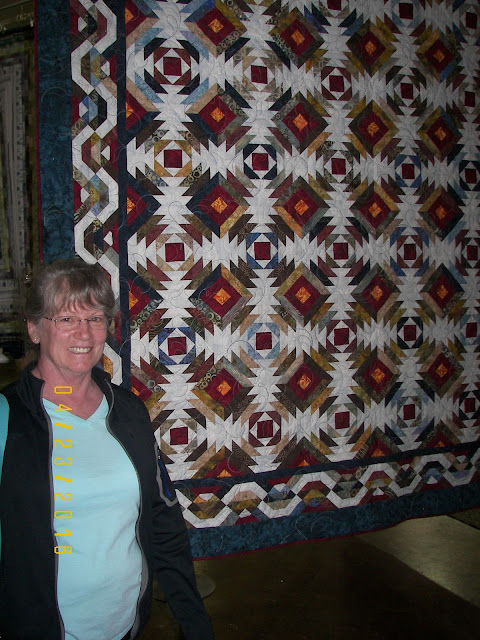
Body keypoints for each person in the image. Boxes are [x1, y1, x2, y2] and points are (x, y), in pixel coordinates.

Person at [0, 258, 215, 640]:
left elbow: (163, 520)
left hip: (125, 628)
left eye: (95, 318)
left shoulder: (127, 411)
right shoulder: (8, 419)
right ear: (34, 328)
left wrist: (195, 624)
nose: (84, 333)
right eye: (67, 318)